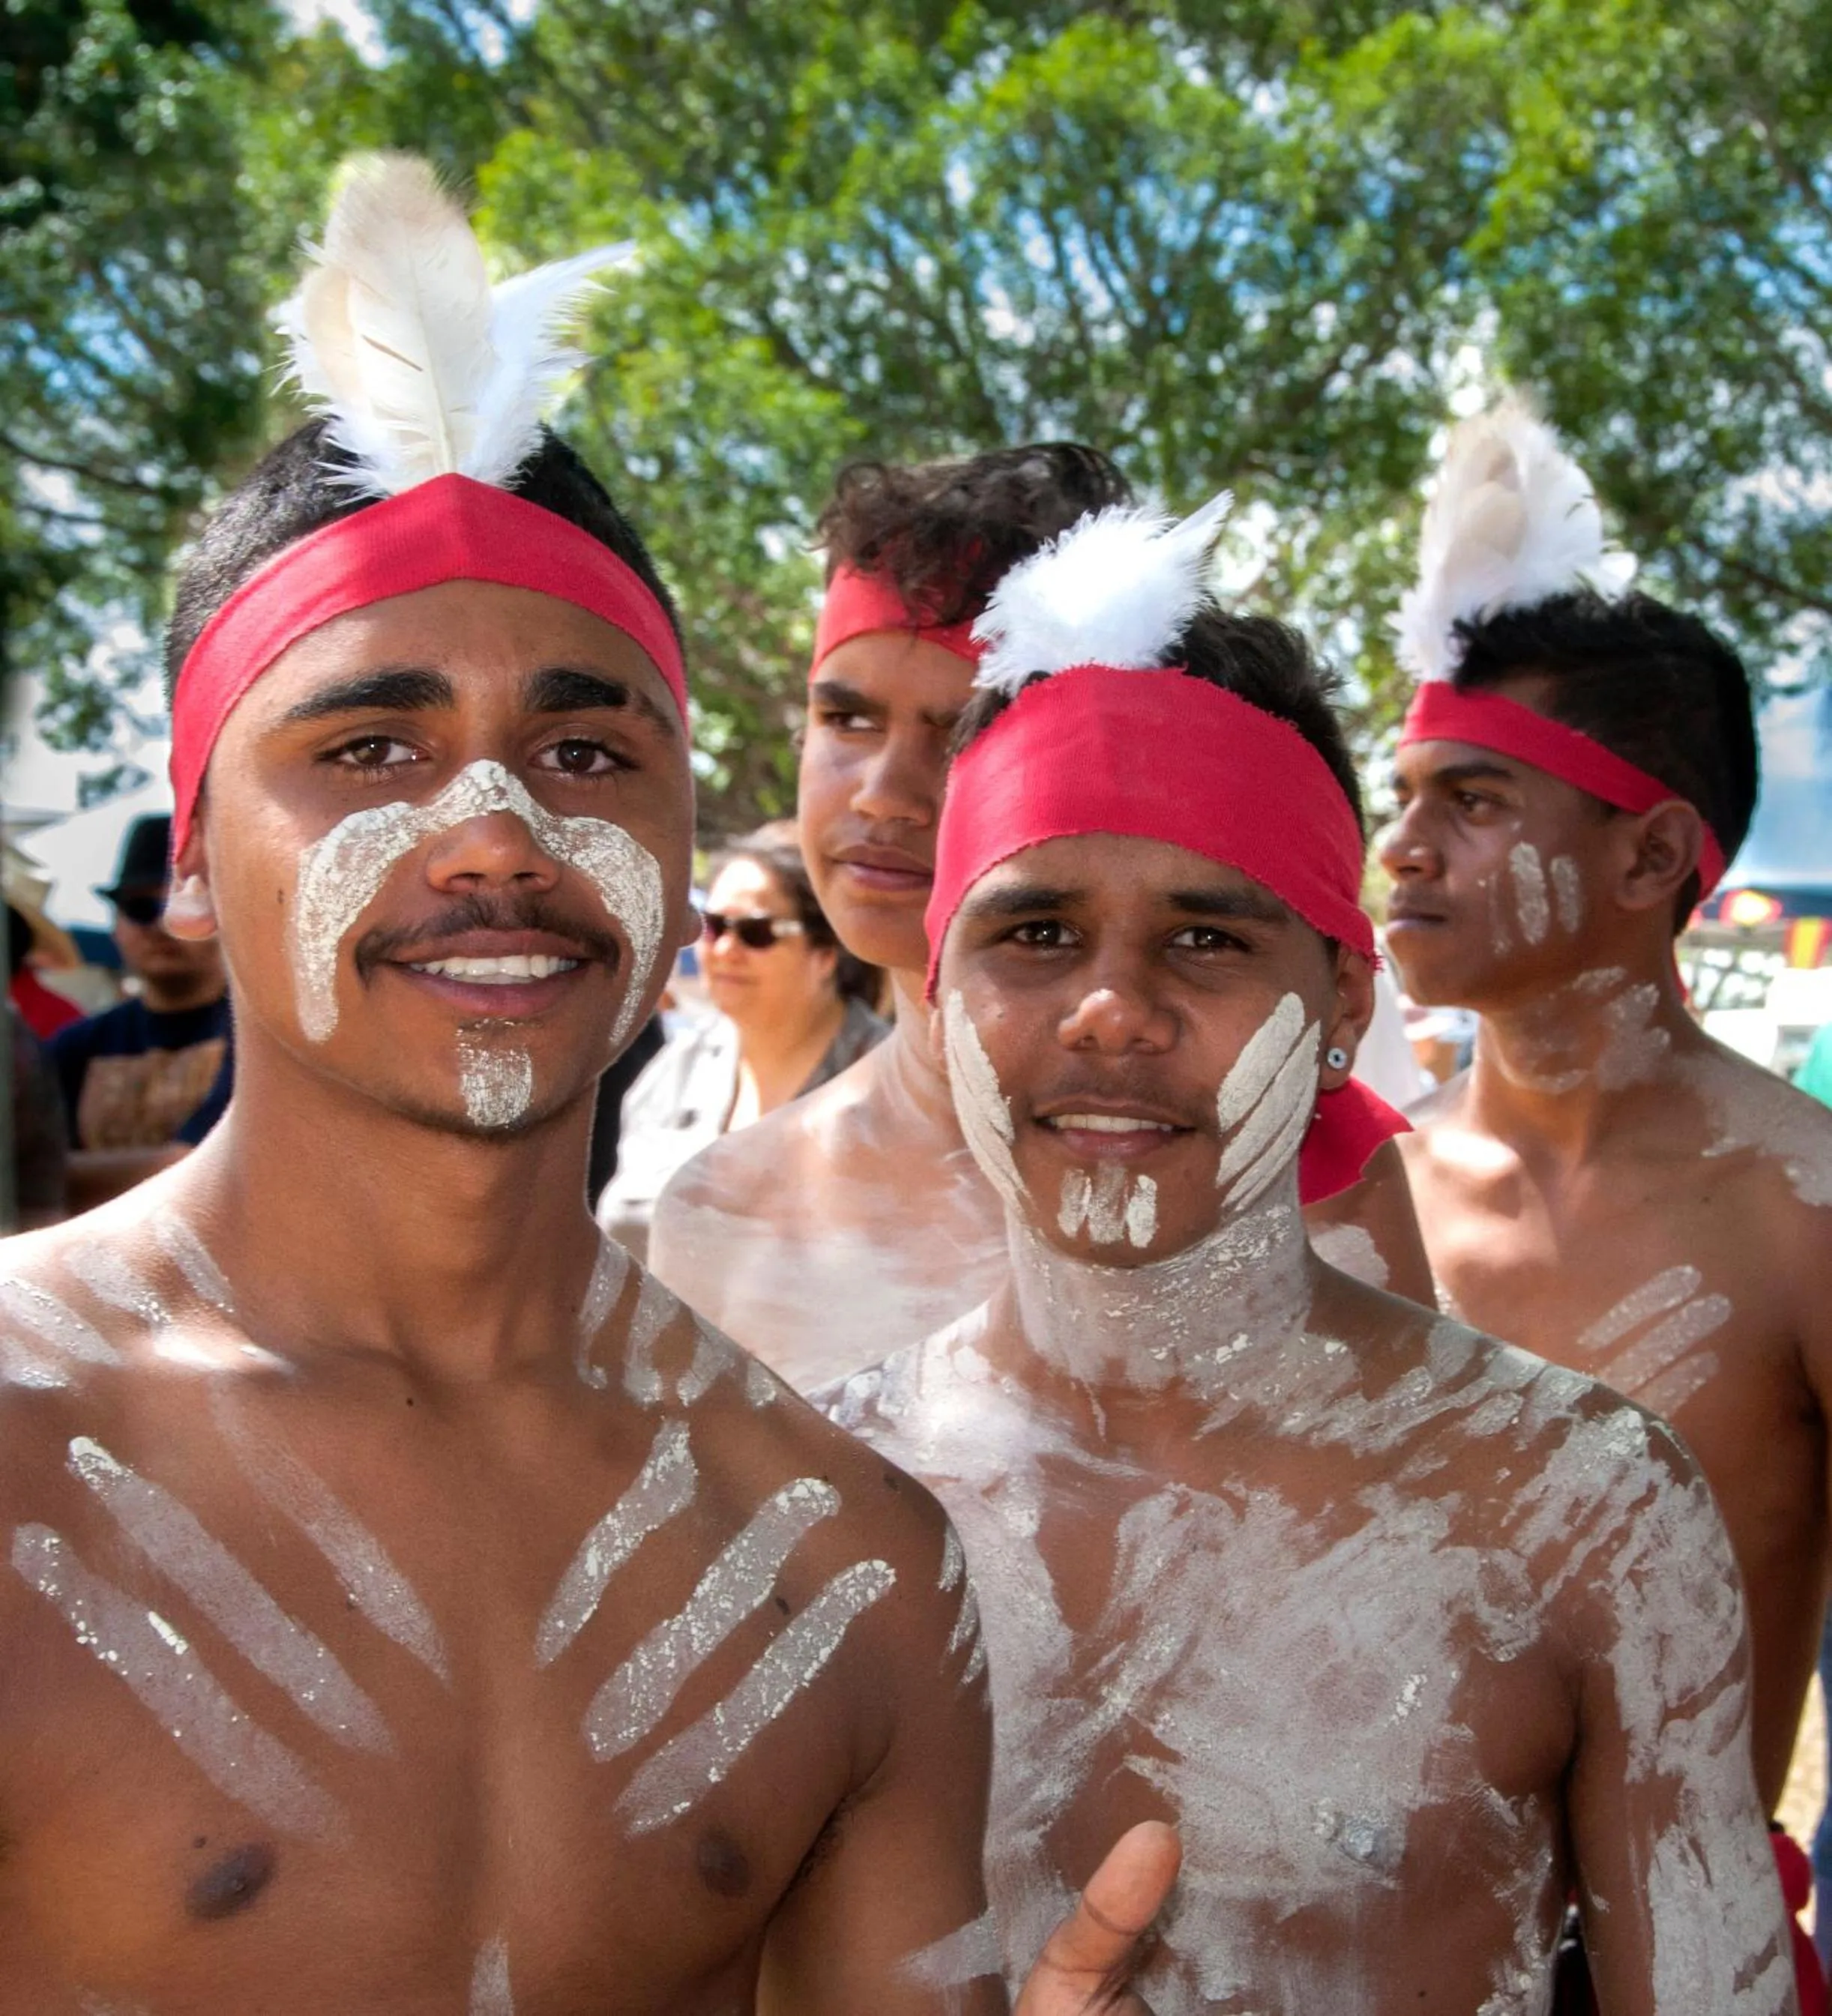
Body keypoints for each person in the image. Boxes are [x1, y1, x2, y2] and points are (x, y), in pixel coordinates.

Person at [0, 156, 1173, 2015]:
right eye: (370, 742)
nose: (494, 834)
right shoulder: (26, 1460)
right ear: (202, 856)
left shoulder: (846, 1563)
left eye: (583, 744)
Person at [824, 492, 1793, 2012]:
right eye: (1034, 934)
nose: (1111, 1011)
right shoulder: (822, 1511)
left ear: (1344, 1006)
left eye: (1207, 937)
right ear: (937, 999)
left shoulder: (1584, 1508)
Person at [651, 450, 1433, 1391]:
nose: (883, 794)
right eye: (847, 719)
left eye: (953, 729)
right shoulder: (728, 1210)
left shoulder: (1293, 1176)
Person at [1379, 397, 1832, 2006]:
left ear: (1649, 862)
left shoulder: (1799, 1213)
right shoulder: (1365, 1197)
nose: (1403, 846)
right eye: (1405, 790)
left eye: (1475, 803)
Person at [598, 822, 885, 1259]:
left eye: (756, 932)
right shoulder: (676, 1070)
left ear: (826, 954)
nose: (726, 949)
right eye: (715, 927)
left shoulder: (891, 1091)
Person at [49, 813, 232, 1210]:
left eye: (183, 903)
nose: (163, 923)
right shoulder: (76, 1046)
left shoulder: (263, 1037)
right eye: (139, 908)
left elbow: (204, 1166)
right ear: (116, 924)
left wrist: (60, 1174)